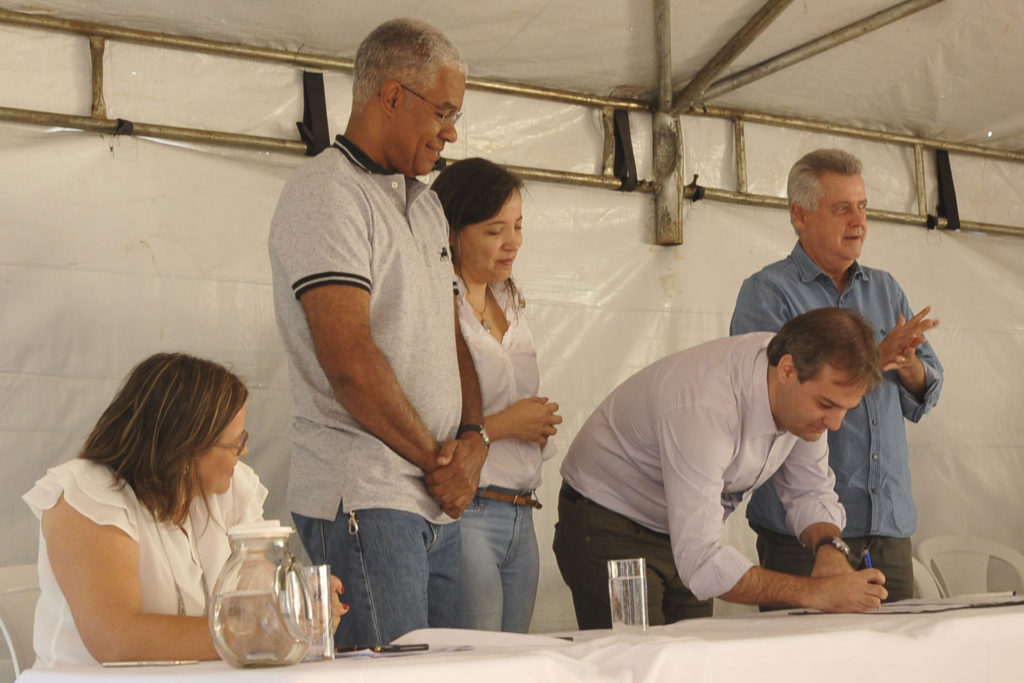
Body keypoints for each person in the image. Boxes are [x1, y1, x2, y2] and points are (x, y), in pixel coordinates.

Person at [268, 18, 488, 647]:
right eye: (443, 111)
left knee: (454, 669)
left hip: (431, 493)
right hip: (366, 496)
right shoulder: (326, 194)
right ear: (391, 96)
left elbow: (452, 334)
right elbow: (349, 361)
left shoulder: (428, 203)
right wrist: (439, 462)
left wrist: (472, 438)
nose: (451, 131)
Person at [554, 308, 889, 628]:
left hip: (683, 532)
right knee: (635, 657)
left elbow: (810, 491)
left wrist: (830, 548)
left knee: (694, 655)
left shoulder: (803, 394)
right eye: (826, 404)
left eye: (846, 409)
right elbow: (701, 563)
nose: (834, 423)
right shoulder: (706, 405)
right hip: (609, 523)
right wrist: (816, 593)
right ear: (787, 370)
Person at [22, 353, 346, 667]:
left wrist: (301, 602)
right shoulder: (86, 493)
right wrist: (261, 632)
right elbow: (116, 639)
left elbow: (256, 597)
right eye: (236, 442)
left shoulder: (231, 490)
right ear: (187, 446)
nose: (245, 450)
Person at [730, 148, 943, 603]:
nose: (858, 222)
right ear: (800, 215)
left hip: (887, 523)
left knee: (901, 649)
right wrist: (874, 359)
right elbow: (769, 400)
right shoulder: (768, 293)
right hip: (803, 535)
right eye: (842, 208)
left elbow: (926, 394)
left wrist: (907, 364)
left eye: (863, 206)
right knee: (809, 649)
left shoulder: (885, 289)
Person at [431, 158, 563, 632]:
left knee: (515, 657)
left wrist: (536, 424)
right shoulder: (437, 304)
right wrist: (506, 425)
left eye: (518, 226)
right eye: (494, 231)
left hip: (520, 512)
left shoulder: (507, 298)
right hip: (471, 510)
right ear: (451, 233)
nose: (513, 243)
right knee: (477, 658)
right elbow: (431, 423)